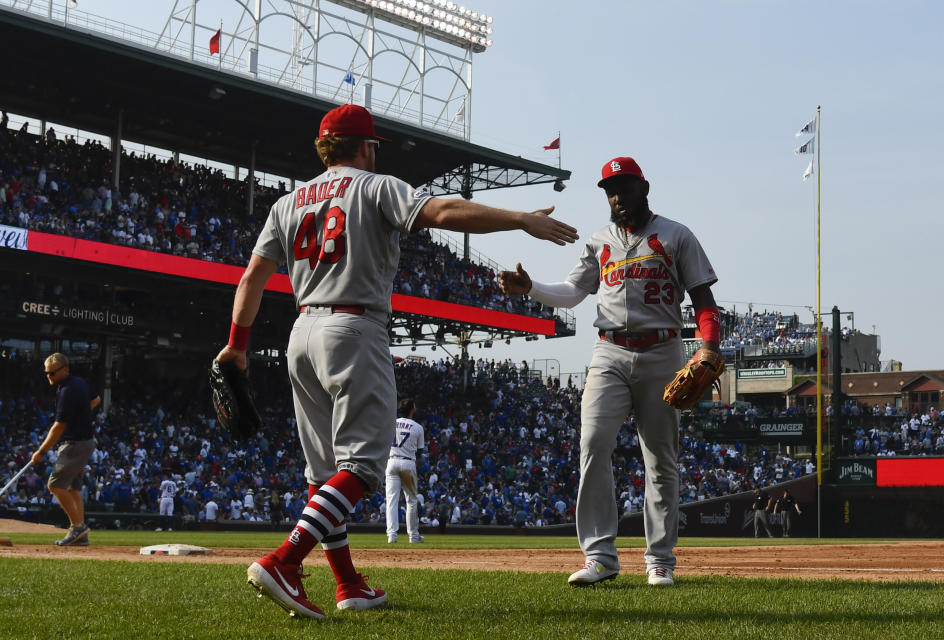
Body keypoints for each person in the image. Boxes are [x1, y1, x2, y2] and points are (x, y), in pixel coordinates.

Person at [215, 103, 577, 620]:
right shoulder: (375, 186)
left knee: (325, 478)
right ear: (367, 146)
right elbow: (443, 213)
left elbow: (251, 277)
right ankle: (284, 561)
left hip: (302, 332)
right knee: (362, 468)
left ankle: (348, 585)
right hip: (353, 326)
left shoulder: (287, 202)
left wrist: (237, 345)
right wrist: (518, 220)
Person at [499, 156, 720, 587]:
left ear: (645, 187)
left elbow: (704, 300)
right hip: (609, 353)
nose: (617, 197)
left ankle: (659, 560)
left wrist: (708, 345)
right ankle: (600, 556)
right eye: (609, 190)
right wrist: (532, 289)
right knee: (593, 445)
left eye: (624, 187)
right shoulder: (599, 241)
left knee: (661, 461)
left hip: (663, 351)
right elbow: (571, 293)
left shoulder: (676, 235)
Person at [30, 353, 101, 546]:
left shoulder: (67, 390)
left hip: (74, 445)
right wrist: (82, 412)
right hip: (84, 442)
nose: (49, 376)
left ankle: (78, 527)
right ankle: (81, 534)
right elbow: (96, 400)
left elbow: (59, 426)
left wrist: (41, 451)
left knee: (55, 485)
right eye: (46, 373)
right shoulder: (79, 383)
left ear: (64, 369)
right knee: (73, 488)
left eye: (52, 373)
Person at [385, 398, 426, 543]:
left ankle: (392, 535)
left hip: (391, 461)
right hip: (407, 463)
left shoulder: (391, 423)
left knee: (391, 501)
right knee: (412, 500)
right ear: (412, 409)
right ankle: (413, 536)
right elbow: (420, 452)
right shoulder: (417, 427)